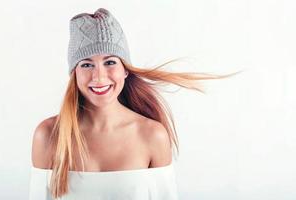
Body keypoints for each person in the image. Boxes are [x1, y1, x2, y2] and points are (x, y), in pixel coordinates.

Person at [29, 8, 238, 200]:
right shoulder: (48, 136)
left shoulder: (152, 135)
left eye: (110, 62)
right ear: (74, 74)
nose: (99, 76)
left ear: (125, 69)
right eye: (86, 64)